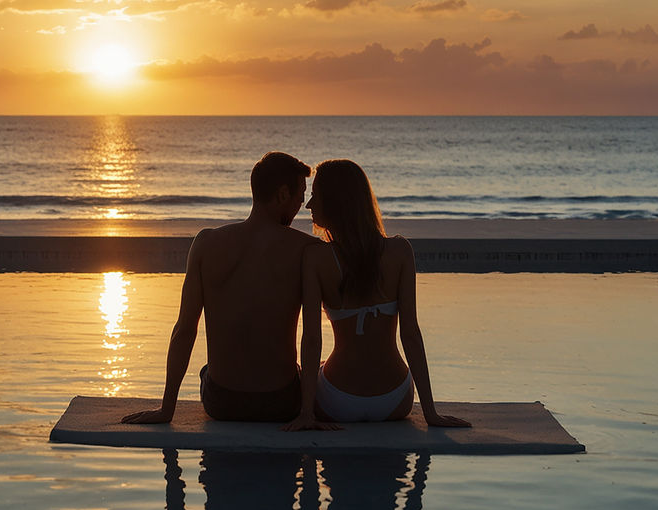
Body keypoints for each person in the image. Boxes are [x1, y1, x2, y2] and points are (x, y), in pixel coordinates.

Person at [122, 151, 335, 425]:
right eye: (299, 196)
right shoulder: (307, 250)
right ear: (282, 194)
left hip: (221, 402)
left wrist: (166, 410)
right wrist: (307, 413)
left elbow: (185, 330)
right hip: (281, 403)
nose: (301, 205)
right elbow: (311, 337)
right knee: (317, 370)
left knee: (206, 371)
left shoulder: (206, 243)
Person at [285, 159, 469, 430]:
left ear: (337, 202)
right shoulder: (400, 251)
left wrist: (306, 414)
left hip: (339, 402)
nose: (309, 205)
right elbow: (411, 334)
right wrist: (430, 412)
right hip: (394, 400)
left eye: (316, 196)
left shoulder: (316, 258)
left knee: (310, 370)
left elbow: (312, 339)